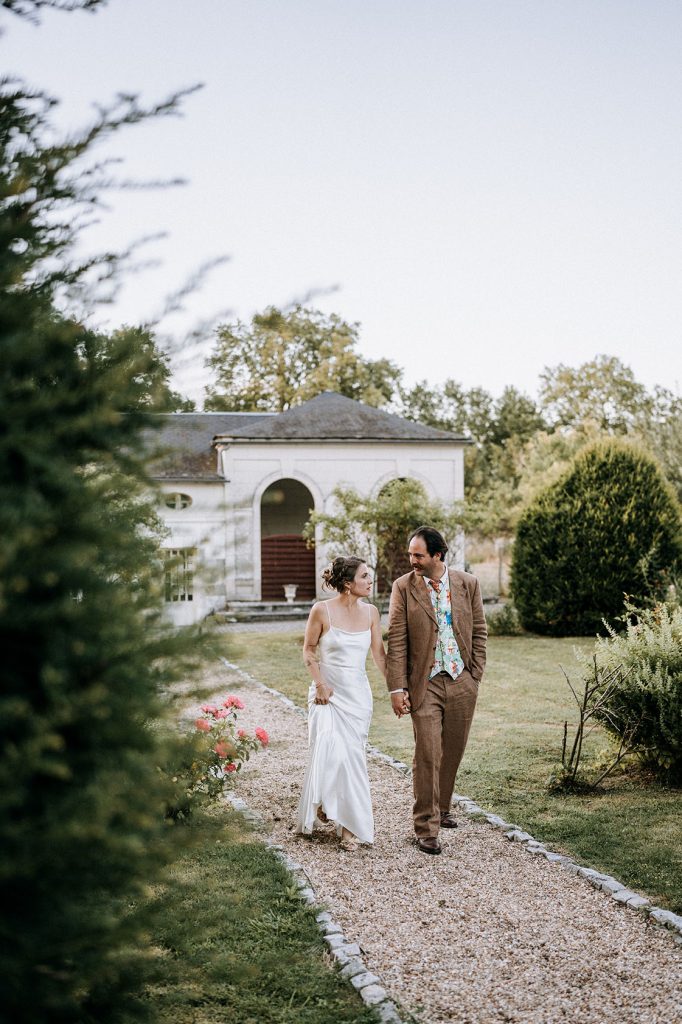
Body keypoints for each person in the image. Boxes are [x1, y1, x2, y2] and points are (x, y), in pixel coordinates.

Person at [387, 525, 487, 855]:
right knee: (427, 752)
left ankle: (442, 808)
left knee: (453, 749)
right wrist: (397, 688)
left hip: (461, 680)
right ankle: (426, 826)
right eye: (411, 554)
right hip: (424, 684)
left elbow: (480, 632)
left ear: (437, 556)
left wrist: (474, 675)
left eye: (418, 555)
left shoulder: (467, 584)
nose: (412, 560)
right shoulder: (403, 587)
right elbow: (397, 641)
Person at [296, 556, 386, 851]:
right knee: (330, 753)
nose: (370, 581)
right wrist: (320, 683)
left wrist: (398, 687)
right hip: (327, 695)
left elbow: (379, 656)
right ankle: (326, 804)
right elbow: (309, 651)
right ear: (348, 584)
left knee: (351, 759)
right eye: (364, 576)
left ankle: (349, 828)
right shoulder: (321, 611)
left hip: (358, 698)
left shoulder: (372, 613)